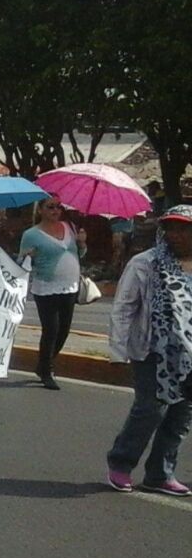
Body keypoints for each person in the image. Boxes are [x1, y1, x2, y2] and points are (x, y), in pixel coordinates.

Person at [105, 204, 192, 495]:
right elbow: (124, 307)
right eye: (171, 227)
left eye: (184, 228)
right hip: (151, 351)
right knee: (150, 410)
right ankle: (121, 463)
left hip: (188, 357)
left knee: (180, 416)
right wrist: (118, 350)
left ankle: (160, 474)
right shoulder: (146, 263)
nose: (176, 234)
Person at [20, 196, 87, 390]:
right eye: (50, 207)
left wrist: (82, 244)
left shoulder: (70, 227)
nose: (55, 211)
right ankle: (47, 370)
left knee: (64, 330)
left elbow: (79, 254)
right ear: (40, 209)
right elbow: (22, 263)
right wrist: (29, 257)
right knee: (51, 329)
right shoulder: (31, 234)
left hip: (70, 286)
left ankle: (43, 364)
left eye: (58, 207)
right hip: (46, 288)